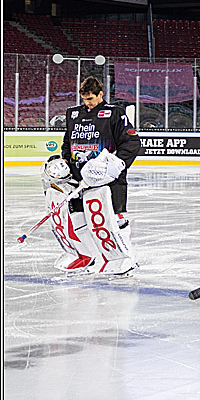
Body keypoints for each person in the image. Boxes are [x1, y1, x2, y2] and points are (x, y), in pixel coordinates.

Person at [59, 75, 142, 275]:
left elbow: (132, 143)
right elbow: (67, 143)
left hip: (108, 179)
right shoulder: (73, 114)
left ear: (100, 94)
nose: (88, 103)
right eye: (85, 98)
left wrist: (118, 164)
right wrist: (65, 162)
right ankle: (91, 257)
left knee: (115, 218)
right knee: (80, 217)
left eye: (91, 98)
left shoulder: (114, 113)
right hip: (80, 180)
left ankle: (128, 258)